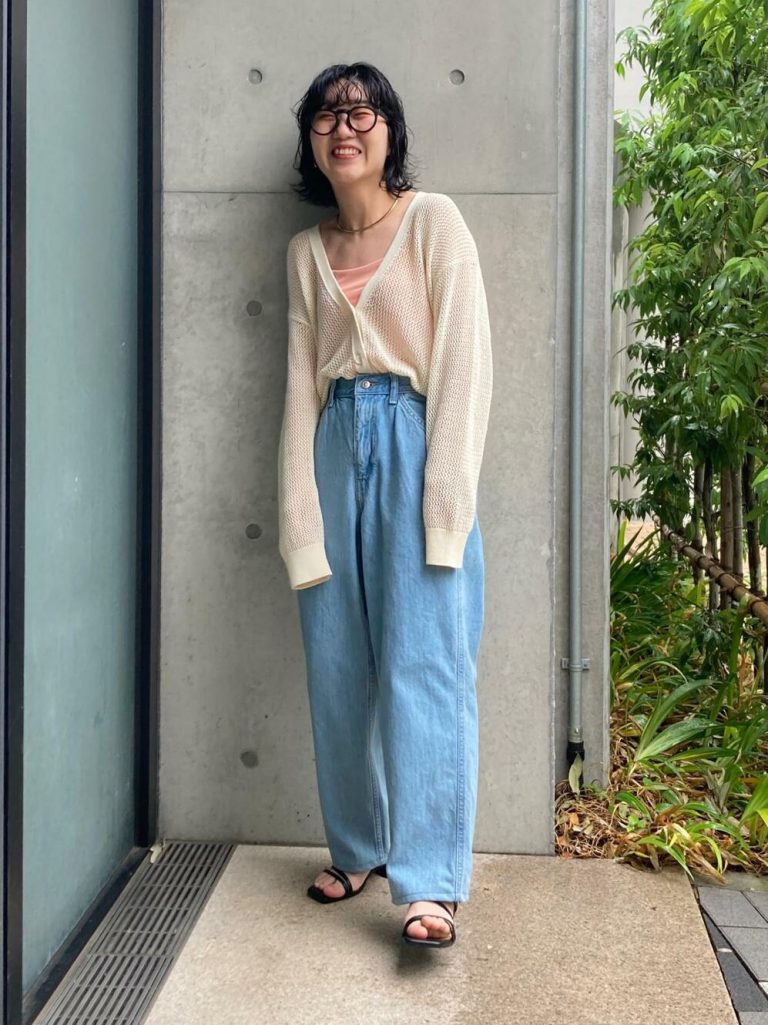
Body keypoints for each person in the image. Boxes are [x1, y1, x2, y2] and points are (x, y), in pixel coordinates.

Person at [277, 61, 493, 949]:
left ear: (390, 130)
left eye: (361, 112)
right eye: (327, 115)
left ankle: (430, 879)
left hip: (414, 442)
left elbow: (465, 371)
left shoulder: (435, 222)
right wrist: (298, 515)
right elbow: (299, 390)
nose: (345, 127)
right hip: (334, 447)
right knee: (336, 666)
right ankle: (358, 846)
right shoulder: (306, 253)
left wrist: (444, 507)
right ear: (312, 142)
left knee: (424, 665)